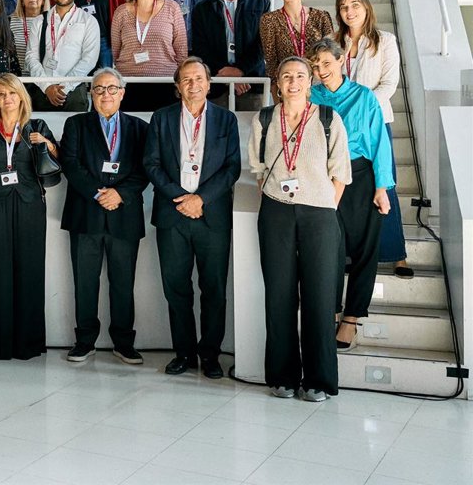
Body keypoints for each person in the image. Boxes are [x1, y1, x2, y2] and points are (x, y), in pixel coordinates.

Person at [249, 57, 352, 402]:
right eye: (286, 76)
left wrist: (323, 206)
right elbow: (258, 169)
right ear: (277, 84)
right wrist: (279, 199)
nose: (293, 82)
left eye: (300, 76)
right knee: (278, 295)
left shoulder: (327, 118)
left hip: (320, 213)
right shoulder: (265, 119)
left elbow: (340, 172)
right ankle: (283, 377)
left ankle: (319, 380)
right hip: (276, 211)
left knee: (319, 296)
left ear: (310, 83)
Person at [143, 58, 241, 378]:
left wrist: (201, 199)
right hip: (172, 215)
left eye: (199, 78)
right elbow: (151, 164)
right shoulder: (161, 118)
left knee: (213, 289)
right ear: (177, 87)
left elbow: (232, 168)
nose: (193, 85)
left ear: (209, 84)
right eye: (186, 80)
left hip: (212, 216)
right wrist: (181, 197)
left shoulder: (226, 119)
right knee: (176, 288)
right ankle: (184, 353)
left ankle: (210, 355)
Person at [308, 39, 394, 352]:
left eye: (326, 63)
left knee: (365, 250)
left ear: (341, 60)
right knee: (329, 248)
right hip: (323, 177)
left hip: (360, 177)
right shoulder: (310, 97)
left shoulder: (364, 96)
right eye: (315, 65)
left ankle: (352, 318)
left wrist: (382, 188)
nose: (321, 70)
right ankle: (329, 310)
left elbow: (379, 142)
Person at [59, 68, 149, 365]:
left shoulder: (139, 128)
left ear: (122, 93)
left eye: (112, 88)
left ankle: (124, 343)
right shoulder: (76, 124)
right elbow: (70, 164)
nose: (105, 94)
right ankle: (84, 341)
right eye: (99, 89)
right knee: (85, 282)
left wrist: (119, 194)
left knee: (123, 283)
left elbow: (145, 168)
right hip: (86, 214)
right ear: (91, 93)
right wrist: (98, 194)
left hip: (124, 214)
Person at [0, 74, 58, 361]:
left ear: (21, 97)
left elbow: (58, 161)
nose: (7, 99)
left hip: (30, 203)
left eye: (12, 93)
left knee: (29, 270)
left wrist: (47, 143)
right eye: (1, 94)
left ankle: (27, 343)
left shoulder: (36, 127)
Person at [335, 0, 411, 278]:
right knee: (348, 188)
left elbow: (389, 85)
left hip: (375, 122)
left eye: (355, 5)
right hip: (342, 127)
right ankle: (352, 252)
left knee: (384, 183)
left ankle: (395, 254)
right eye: (344, 7)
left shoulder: (385, 40)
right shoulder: (334, 42)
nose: (349, 11)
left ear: (366, 7)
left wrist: (360, 108)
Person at [190, 0, 269, 106]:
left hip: (250, 83)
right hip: (216, 83)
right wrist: (225, 74)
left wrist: (240, 71)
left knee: (253, 122)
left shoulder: (260, 2)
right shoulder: (202, 8)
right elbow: (200, 47)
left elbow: (263, 43)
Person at [111, 0, 187, 111]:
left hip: (164, 82)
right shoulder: (121, 12)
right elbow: (116, 51)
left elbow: (181, 50)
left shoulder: (172, 8)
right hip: (128, 83)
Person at [28, 0, 100, 112]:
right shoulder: (40, 21)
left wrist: (65, 87)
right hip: (43, 90)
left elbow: (89, 59)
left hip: (74, 91)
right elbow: (31, 57)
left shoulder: (88, 21)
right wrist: (47, 86)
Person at [259, 0, 335, 87]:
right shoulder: (269, 20)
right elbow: (271, 61)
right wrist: (276, 92)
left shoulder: (321, 17)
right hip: (289, 86)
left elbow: (330, 55)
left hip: (319, 85)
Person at [9, 0, 48, 71]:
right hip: (17, 76)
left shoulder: (52, 22)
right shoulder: (9, 22)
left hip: (44, 77)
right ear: (21, 0)